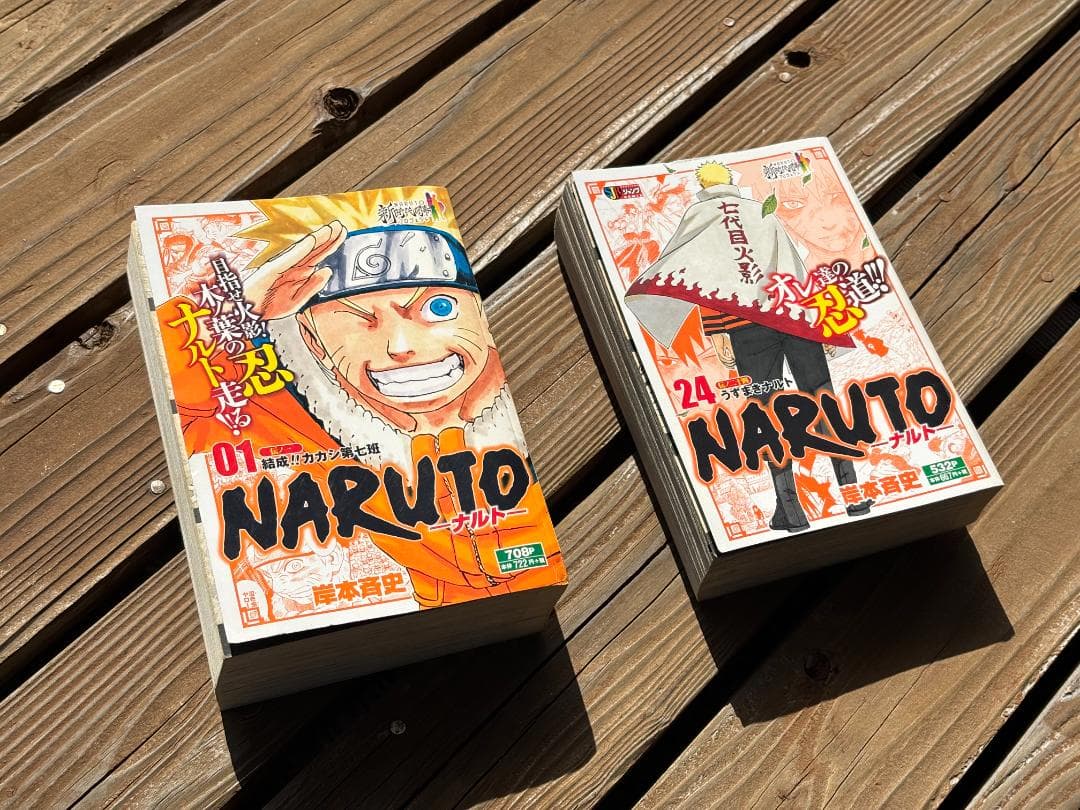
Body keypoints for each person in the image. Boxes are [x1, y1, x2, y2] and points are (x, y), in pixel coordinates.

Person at [624, 161, 872, 532]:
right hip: (793, 317)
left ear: (703, 185)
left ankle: (792, 511)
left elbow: (702, 276)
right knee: (822, 398)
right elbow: (791, 265)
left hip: (747, 330)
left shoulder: (700, 216)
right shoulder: (760, 211)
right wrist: (817, 320)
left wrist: (718, 331)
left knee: (767, 414)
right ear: (730, 182)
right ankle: (852, 495)